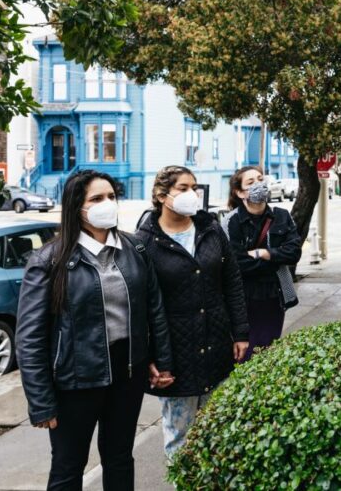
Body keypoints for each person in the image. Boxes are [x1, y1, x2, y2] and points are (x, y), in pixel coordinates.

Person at [15, 170, 174, 491]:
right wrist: (41, 401)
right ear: (78, 207)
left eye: (112, 196)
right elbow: (29, 338)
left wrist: (161, 360)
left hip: (127, 374)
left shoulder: (133, 248)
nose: (107, 203)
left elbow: (153, 309)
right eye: (97, 198)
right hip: (75, 380)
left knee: (119, 458)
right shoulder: (49, 260)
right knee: (68, 467)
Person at [135, 165, 249, 458]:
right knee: (180, 436)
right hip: (175, 354)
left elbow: (232, 281)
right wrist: (150, 357)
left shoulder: (211, 228)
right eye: (183, 188)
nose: (192, 194)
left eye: (194, 188)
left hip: (216, 344)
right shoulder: (144, 241)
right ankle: (183, 479)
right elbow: (141, 306)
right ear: (162, 195)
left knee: (218, 432)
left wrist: (240, 332)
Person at [221, 166, 302, 360]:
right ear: (240, 192)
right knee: (244, 353)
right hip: (243, 298)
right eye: (250, 182)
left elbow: (293, 253)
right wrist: (275, 259)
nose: (259, 184)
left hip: (275, 295)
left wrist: (264, 253)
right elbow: (237, 264)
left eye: (260, 179)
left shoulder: (282, 216)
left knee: (268, 351)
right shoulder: (230, 222)